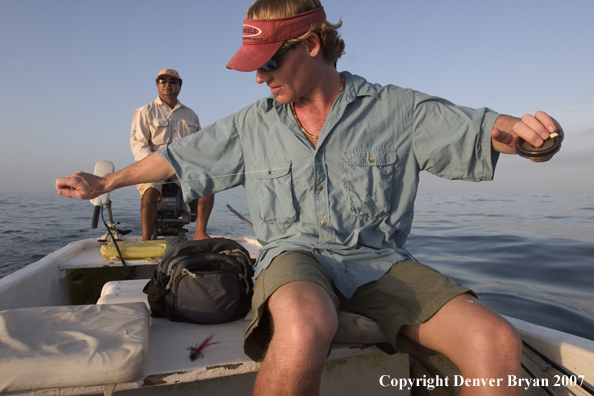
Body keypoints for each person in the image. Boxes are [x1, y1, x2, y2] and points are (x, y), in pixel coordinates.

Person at [56, 1, 564, 395]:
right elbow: (179, 158)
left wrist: (530, 138)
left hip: (380, 262)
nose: (259, 76)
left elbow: (483, 131)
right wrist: (105, 184)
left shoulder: (395, 109)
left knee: (495, 340)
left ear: (314, 45)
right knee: (303, 324)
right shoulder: (251, 124)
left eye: (270, 61)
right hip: (294, 256)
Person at [130, 68, 214, 240]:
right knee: (150, 191)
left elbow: (199, 144)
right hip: (154, 165)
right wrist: (154, 164)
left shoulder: (191, 114)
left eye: (173, 81)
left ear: (179, 86)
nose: (167, 84)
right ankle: (146, 240)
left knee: (208, 186)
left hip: (183, 167)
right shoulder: (144, 111)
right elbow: (139, 144)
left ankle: (200, 233)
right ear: (157, 85)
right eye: (163, 81)